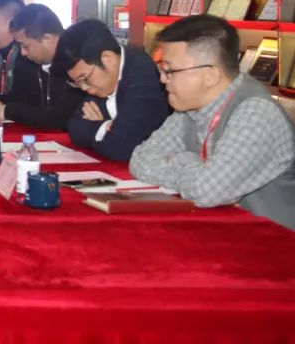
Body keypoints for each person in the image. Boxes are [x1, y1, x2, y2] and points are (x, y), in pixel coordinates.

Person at [130, 15, 295, 228]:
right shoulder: (189, 106)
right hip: (223, 231)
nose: (162, 78)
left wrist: (180, 160)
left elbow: (206, 191)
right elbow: (139, 160)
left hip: (273, 240)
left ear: (210, 75)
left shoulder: (256, 113)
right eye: (162, 68)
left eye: (169, 70)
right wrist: (197, 167)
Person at [60, 19, 170, 160]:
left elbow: (121, 148)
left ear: (108, 58)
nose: (84, 88)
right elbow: (75, 127)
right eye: (77, 82)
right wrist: (105, 127)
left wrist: (97, 127)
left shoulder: (144, 76)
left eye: (84, 79)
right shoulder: (103, 80)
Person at [0, 3, 85, 131]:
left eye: (25, 46)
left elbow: (61, 118)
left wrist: (8, 110)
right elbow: (24, 100)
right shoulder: (35, 63)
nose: (22, 53)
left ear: (47, 39)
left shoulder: (77, 62)